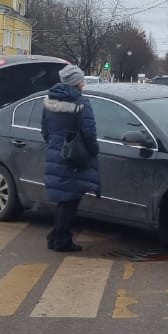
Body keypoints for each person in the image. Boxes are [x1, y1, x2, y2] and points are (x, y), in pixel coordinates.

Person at [41, 64, 100, 252]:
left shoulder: (49, 101)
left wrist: (55, 145)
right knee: (69, 201)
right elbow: (89, 133)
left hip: (57, 153)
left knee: (65, 199)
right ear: (76, 83)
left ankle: (55, 236)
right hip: (75, 157)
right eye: (81, 81)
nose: (83, 84)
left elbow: (45, 130)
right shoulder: (81, 103)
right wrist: (94, 151)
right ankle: (61, 240)